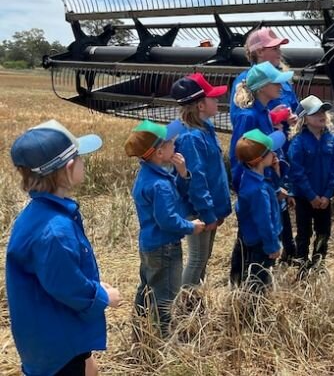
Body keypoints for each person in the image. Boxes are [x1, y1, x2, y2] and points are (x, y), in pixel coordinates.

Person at [6, 119, 122, 376]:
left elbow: (56, 274)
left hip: (47, 333)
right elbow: (68, 287)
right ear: (68, 168)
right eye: (80, 157)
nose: (83, 162)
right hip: (58, 343)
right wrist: (103, 297)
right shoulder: (55, 231)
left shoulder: (38, 215)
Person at [126, 119, 206, 337]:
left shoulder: (150, 176)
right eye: (171, 142)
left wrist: (182, 174)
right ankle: (164, 342)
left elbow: (172, 201)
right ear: (160, 153)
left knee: (147, 289)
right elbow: (168, 220)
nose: (175, 145)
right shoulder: (159, 185)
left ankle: (140, 334)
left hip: (149, 245)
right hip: (166, 248)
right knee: (166, 298)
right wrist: (191, 226)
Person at [231, 28, 300, 263]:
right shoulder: (244, 84)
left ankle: (280, 254)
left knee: (273, 214)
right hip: (259, 166)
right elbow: (245, 142)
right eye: (275, 48)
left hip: (276, 161)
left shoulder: (282, 82)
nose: (280, 52)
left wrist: (287, 119)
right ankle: (246, 274)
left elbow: (292, 108)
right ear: (258, 51)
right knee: (256, 224)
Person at [171, 74, 232, 288]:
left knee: (203, 258)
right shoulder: (191, 138)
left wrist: (217, 211)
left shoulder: (206, 129)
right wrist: (207, 213)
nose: (218, 101)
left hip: (210, 209)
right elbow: (196, 181)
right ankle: (184, 308)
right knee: (197, 259)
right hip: (199, 210)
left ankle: (196, 304)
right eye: (213, 98)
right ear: (200, 106)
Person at [287, 95, 334, 271]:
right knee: (304, 232)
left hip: (324, 197)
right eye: (315, 112)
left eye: (323, 111)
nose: (322, 115)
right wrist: (311, 196)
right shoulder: (298, 142)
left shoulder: (331, 141)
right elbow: (297, 171)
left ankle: (318, 264)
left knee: (324, 231)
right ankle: (301, 265)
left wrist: (327, 195)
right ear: (304, 119)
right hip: (304, 197)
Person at [230, 129, 287, 290]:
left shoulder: (249, 176)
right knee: (259, 279)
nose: (274, 153)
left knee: (250, 272)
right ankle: (253, 307)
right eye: (270, 151)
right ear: (260, 159)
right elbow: (264, 221)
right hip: (261, 242)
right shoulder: (258, 190)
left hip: (251, 235)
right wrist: (272, 246)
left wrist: (276, 174)